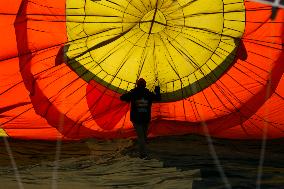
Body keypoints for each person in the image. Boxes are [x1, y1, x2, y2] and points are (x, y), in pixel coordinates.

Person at [120, 78, 161, 158]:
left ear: (137, 84)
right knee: (144, 136)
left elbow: (122, 97)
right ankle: (143, 152)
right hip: (145, 118)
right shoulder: (148, 94)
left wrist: (130, 93)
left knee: (141, 136)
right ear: (145, 85)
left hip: (136, 119)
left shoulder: (133, 93)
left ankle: (142, 154)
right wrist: (157, 89)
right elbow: (158, 98)